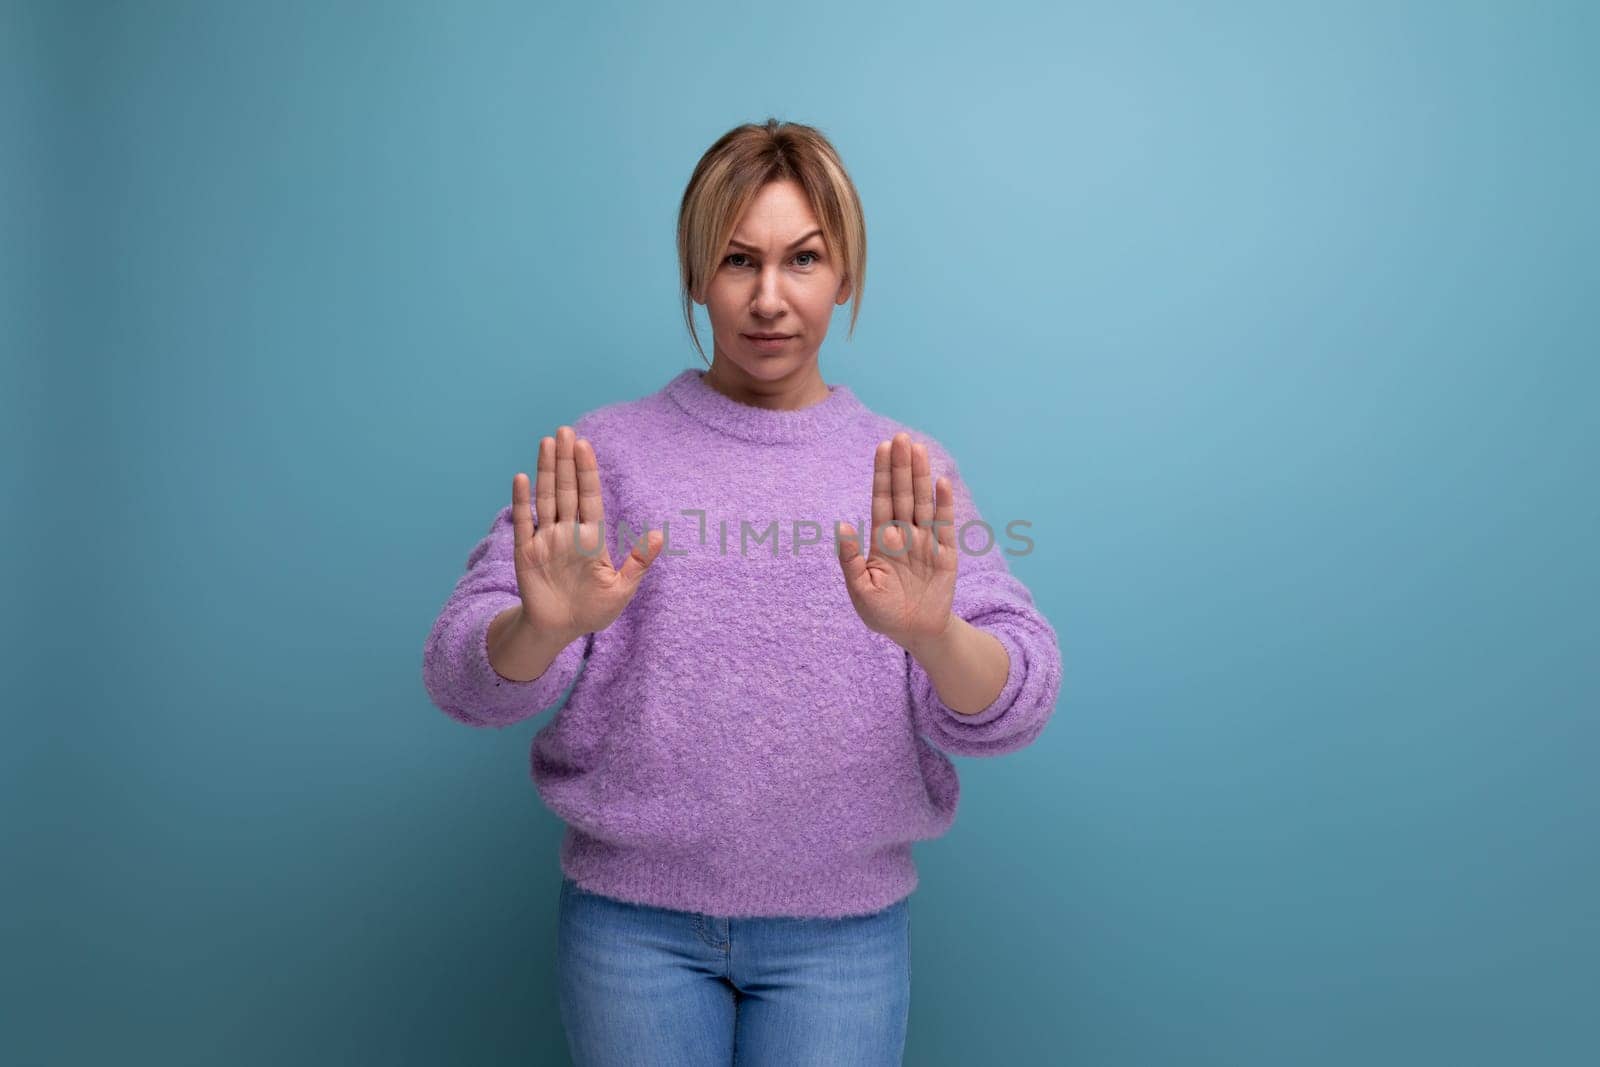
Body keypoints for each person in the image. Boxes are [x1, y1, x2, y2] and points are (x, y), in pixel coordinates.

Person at [421, 118, 1063, 1066]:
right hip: (631, 927)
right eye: (736, 261)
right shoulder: (605, 454)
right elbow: (461, 675)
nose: (770, 299)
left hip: (842, 935)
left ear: (844, 272)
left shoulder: (904, 468)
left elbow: (1016, 699)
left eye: (802, 259)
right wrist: (535, 631)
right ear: (694, 275)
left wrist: (934, 637)